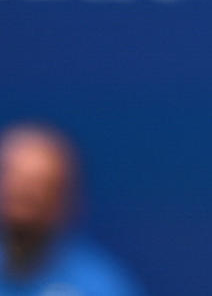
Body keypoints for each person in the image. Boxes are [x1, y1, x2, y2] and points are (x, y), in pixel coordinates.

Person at [0, 124, 142, 296]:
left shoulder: (101, 285)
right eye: (15, 179)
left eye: (41, 185)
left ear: (66, 198)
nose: (24, 192)